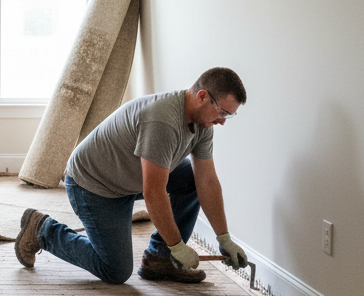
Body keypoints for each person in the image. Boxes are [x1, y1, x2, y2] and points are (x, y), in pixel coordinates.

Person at [14, 67, 249, 284]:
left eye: (229, 115)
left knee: (191, 178)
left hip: (127, 178)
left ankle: (160, 259)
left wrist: (224, 238)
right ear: (202, 97)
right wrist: (177, 246)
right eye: (222, 112)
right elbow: (153, 192)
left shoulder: (202, 124)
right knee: (115, 270)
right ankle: (42, 230)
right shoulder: (162, 121)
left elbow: (207, 181)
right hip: (94, 185)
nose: (222, 121)